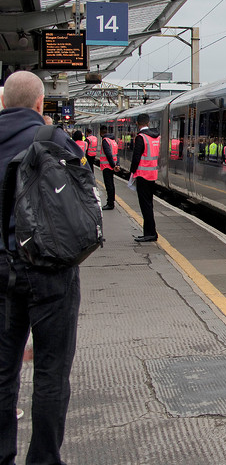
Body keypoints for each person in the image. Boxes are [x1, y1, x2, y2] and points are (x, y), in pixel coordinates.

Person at [0, 70, 83, 465]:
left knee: (3, 372)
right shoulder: (51, 139)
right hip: (50, 271)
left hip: (2, 269)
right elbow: (82, 199)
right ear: (39, 104)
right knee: (51, 372)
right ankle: (44, 459)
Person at [129, 113, 160, 242]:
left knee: (145, 205)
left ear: (137, 123)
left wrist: (132, 172)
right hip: (152, 174)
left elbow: (136, 157)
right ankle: (151, 232)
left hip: (142, 175)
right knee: (149, 204)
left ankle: (150, 234)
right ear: (148, 123)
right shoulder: (156, 137)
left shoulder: (141, 137)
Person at [99, 127, 120, 210]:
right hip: (112, 166)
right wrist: (116, 164)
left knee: (109, 185)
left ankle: (110, 203)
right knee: (111, 184)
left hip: (107, 166)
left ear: (101, 133)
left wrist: (112, 165)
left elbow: (108, 154)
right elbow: (116, 154)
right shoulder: (113, 141)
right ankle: (111, 201)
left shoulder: (105, 141)